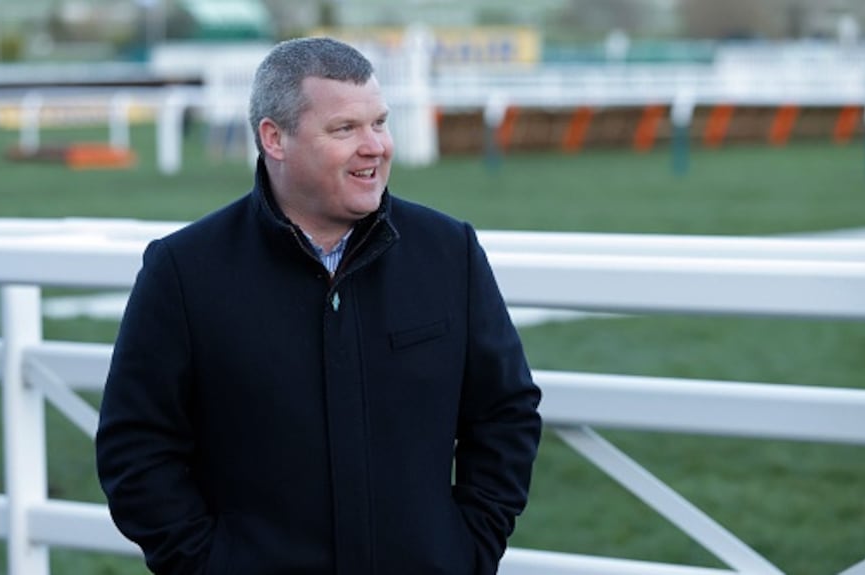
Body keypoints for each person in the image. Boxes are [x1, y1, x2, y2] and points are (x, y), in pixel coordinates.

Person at [95, 36, 542, 575]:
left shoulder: (450, 252)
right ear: (274, 138)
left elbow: (505, 413)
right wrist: (211, 565)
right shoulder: (183, 271)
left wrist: (467, 548)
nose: (375, 146)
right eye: (344, 129)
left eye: (379, 123)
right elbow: (136, 448)